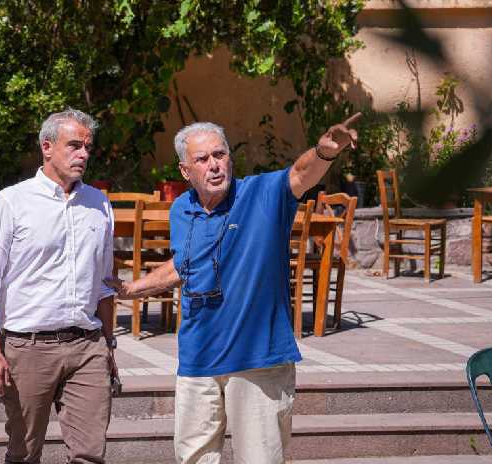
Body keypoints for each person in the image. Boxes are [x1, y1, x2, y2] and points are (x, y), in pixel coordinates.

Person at [107, 115, 360, 464]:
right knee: (193, 459)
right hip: (197, 357)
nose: (214, 165)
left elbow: (301, 174)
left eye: (219, 154)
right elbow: (185, 264)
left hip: (257, 359)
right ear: (185, 171)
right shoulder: (181, 209)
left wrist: (324, 151)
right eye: (202, 159)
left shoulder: (262, 194)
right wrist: (131, 288)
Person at [0, 109, 118, 464]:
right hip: (28, 347)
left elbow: (105, 285)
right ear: (47, 147)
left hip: (88, 347)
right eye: (74, 145)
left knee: (90, 455)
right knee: (24, 453)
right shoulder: (11, 202)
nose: (83, 154)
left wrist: (109, 345)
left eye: (87, 147)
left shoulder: (99, 203)